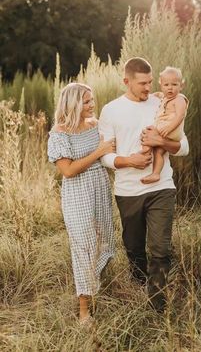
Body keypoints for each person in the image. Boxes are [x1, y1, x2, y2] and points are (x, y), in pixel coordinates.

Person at [98, 57, 189, 312]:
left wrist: (160, 142)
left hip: (161, 186)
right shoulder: (111, 110)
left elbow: (183, 146)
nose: (148, 88)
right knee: (134, 247)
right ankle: (138, 287)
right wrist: (129, 160)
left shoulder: (163, 102)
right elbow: (104, 155)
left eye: (150, 82)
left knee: (160, 248)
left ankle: (157, 305)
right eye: (142, 84)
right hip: (128, 191)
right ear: (126, 81)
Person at [47, 83, 115, 324]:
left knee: (104, 240)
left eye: (92, 100)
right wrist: (99, 151)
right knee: (84, 247)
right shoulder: (59, 133)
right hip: (77, 194)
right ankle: (84, 311)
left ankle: (96, 289)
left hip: (100, 189)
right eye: (86, 101)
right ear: (73, 103)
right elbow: (67, 170)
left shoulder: (95, 125)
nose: (91, 105)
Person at [141, 66, 189, 184]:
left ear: (181, 86)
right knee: (159, 151)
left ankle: (145, 152)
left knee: (148, 132)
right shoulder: (164, 97)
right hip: (165, 128)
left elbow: (180, 116)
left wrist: (169, 127)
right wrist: (155, 95)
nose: (170, 88)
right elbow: (160, 95)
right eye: (166, 85)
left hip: (171, 129)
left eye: (174, 85)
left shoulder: (179, 99)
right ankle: (155, 173)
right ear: (161, 85)